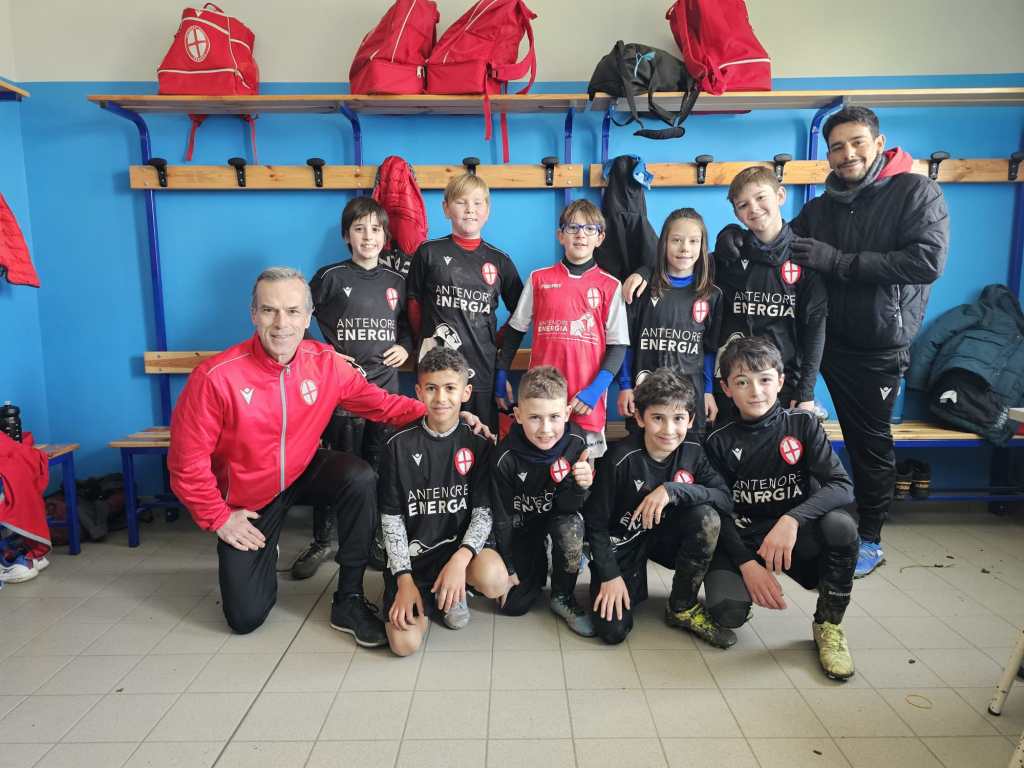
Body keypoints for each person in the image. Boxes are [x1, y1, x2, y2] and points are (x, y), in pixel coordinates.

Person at [167, 267, 484, 647]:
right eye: (269, 310)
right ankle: (267, 546)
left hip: (302, 469)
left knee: (360, 478)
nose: (281, 323)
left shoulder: (325, 363)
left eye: (292, 311)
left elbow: (381, 404)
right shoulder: (215, 377)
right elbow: (186, 464)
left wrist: (445, 415)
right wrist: (219, 518)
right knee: (245, 617)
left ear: (308, 316)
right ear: (253, 314)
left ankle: (348, 599)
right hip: (250, 500)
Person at [790, 106, 949, 577]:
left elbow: (926, 262)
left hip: (875, 345)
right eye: (837, 147)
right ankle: (792, 522)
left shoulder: (916, 191)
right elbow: (781, 243)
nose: (847, 154)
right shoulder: (821, 207)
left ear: (879, 143)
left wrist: (838, 261)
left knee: (868, 444)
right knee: (782, 430)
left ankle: (871, 538)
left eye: (857, 142)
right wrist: (735, 244)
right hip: (817, 339)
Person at [704, 337, 857, 680]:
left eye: (764, 379)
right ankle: (747, 582)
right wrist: (747, 564)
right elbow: (718, 512)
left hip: (793, 536)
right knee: (727, 613)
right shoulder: (717, 440)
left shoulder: (803, 424)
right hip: (746, 538)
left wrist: (791, 519)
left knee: (841, 526)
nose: (755, 391)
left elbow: (841, 485)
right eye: (742, 382)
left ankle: (829, 625)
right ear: (726, 389)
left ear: (780, 381)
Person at [291, 197, 413, 580]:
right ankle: (323, 540)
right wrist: (324, 354)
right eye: (360, 229)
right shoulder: (329, 276)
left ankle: (373, 537)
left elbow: (408, 326)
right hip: (340, 396)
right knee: (336, 469)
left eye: (375, 229)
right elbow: (297, 318)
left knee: (378, 470)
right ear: (347, 235)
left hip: (384, 393)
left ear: (385, 236)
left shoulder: (397, 281)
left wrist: (405, 346)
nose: (368, 236)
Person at [583, 368, 735, 647]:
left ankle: (681, 606)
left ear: (690, 420)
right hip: (625, 543)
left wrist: (672, 490)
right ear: (640, 418)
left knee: (707, 517)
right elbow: (594, 524)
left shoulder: (693, 451)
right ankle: (629, 578)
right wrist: (610, 575)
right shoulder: (619, 459)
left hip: (666, 539)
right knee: (613, 632)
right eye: (657, 418)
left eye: (678, 418)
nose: (668, 430)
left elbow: (724, 498)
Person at [379, 347, 510, 656]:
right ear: (418, 392)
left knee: (495, 578)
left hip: (456, 556)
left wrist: (460, 560)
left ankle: (455, 590)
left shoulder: (478, 443)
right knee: (404, 645)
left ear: (465, 393)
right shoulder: (396, 446)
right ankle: (424, 597)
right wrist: (403, 580)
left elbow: (483, 513)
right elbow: (391, 520)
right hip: (413, 563)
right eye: (431, 388)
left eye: (450, 388)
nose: (441, 398)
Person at [496, 199, 629, 458]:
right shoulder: (539, 279)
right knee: (540, 467)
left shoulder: (611, 286)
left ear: (600, 238)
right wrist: (501, 375)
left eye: (589, 228)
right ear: (560, 235)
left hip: (585, 401)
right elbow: (515, 331)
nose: (581, 234)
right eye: (573, 227)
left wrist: (595, 391)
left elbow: (618, 346)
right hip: (542, 401)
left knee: (583, 472)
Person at [711, 166, 828, 424]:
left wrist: (806, 390)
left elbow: (816, 328)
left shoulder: (806, 257)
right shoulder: (729, 255)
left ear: (780, 196)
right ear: (737, 214)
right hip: (732, 384)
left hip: (783, 384)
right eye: (743, 205)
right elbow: (679, 268)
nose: (753, 208)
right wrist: (643, 273)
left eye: (760, 197)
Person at [407, 173, 523, 431]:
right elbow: (413, 305)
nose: (470, 209)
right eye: (461, 202)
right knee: (436, 436)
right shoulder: (428, 252)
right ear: (446, 208)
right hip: (435, 368)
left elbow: (522, 313)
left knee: (481, 438)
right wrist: (423, 342)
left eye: (477, 203)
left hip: (481, 368)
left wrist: (496, 341)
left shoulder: (500, 260)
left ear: (487, 210)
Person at [490, 366, 594, 635]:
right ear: (518, 415)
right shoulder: (505, 457)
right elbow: (501, 518)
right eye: (535, 417)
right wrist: (508, 565)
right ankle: (542, 559)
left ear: (567, 413)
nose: (546, 429)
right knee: (514, 605)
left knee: (570, 527)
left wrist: (581, 486)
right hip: (523, 528)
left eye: (554, 417)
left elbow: (570, 507)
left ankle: (563, 595)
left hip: (558, 517)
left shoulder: (576, 442)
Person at [617, 207, 722, 438]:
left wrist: (708, 391)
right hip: (645, 396)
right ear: (663, 243)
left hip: (691, 398)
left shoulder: (712, 295)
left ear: (702, 246)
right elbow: (626, 343)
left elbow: (709, 350)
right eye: (676, 240)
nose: (685, 248)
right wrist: (625, 385)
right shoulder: (641, 290)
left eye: (693, 241)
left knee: (689, 456)